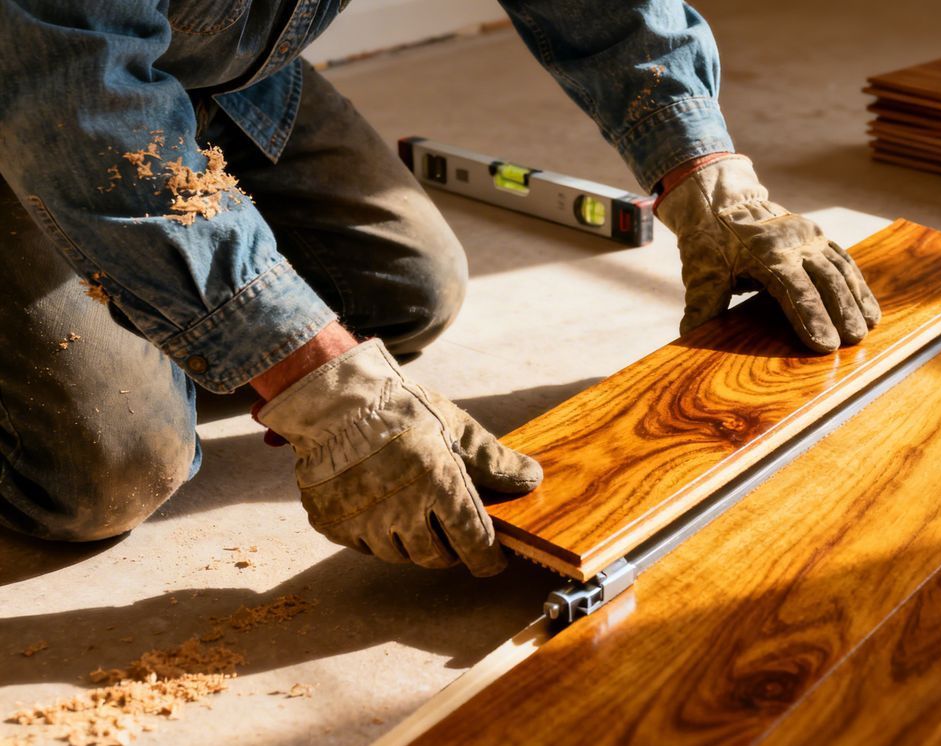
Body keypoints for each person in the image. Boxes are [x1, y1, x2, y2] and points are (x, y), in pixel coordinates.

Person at [0, 1, 880, 575]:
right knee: (105, 476)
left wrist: (707, 171)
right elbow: (76, 109)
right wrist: (316, 380)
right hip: (39, 86)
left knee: (403, 293)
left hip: (197, 63)